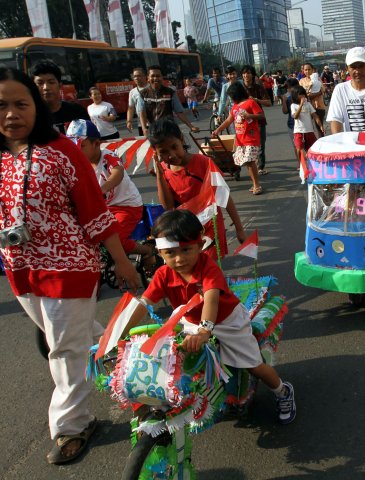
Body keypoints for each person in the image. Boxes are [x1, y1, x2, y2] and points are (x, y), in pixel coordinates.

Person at [0, 67, 140, 465]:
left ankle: (71, 425)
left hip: (70, 268)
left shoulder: (63, 151)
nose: (11, 114)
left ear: (36, 108)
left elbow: (95, 212)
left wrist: (121, 262)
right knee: (77, 338)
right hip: (20, 270)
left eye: (20, 104)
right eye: (1, 105)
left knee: (61, 349)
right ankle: (129, 358)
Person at [126, 209, 296, 424]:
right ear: (160, 253)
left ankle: (282, 391)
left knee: (252, 364)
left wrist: (205, 330)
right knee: (172, 360)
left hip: (226, 321)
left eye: (186, 249)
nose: (179, 259)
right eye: (170, 253)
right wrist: (117, 333)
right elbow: (143, 304)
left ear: (199, 246)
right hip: (191, 321)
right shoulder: (162, 274)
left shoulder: (208, 268)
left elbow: (211, 300)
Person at [65, 119, 157, 271]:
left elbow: (117, 173)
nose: (76, 151)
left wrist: (102, 190)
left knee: (116, 241)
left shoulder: (108, 156)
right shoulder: (78, 163)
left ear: (96, 143)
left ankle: (147, 250)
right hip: (101, 207)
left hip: (126, 206)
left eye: (81, 145)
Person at [149, 117, 246, 259]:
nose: (171, 155)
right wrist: (159, 174)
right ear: (155, 152)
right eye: (163, 152)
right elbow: (168, 206)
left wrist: (239, 228)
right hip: (184, 230)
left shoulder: (204, 163)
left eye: (174, 147)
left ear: (181, 140)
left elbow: (224, 197)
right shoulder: (163, 170)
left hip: (209, 226)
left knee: (208, 267)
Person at [212, 82, 265, 195]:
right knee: (246, 162)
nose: (231, 99)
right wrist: (217, 130)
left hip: (251, 138)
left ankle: (257, 185)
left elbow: (261, 115)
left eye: (232, 96)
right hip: (241, 140)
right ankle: (254, 183)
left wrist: (249, 116)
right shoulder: (235, 107)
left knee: (250, 162)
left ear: (236, 94)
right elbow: (228, 121)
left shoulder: (250, 103)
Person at [30, 60, 89, 134]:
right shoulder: (29, 118)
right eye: (40, 83)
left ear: (60, 85)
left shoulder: (77, 111)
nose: (46, 87)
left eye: (51, 82)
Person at [138, 65, 199, 133]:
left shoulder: (170, 92)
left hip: (169, 129)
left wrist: (191, 126)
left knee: (181, 143)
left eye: (158, 76)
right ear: (148, 78)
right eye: (153, 76)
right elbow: (142, 112)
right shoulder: (142, 94)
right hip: (153, 131)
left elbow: (179, 112)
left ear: (162, 78)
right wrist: (144, 129)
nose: (155, 78)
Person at [239, 65, 271, 175]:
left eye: (248, 73)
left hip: (259, 120)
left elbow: (269, 102)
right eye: (244, 73)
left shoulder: (258, 88)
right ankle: (250, 166)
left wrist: (256, 100)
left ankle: (260, 167)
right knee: (245, 145)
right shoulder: (239, 88)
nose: (246, 75)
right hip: (243, 122)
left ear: (252, 75)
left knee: (260, 144)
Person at [290, 85, 324, 163]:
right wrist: (301, 105)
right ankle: (302, 164)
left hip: (309, 131)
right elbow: (295, 116)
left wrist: (321, 125)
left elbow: (315, 116)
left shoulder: (308, 104)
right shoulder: (293, 105)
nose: (302, 96)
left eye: (303, 94)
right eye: (300, 95)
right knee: (299, 149)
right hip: (299, 131)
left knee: (313, 148)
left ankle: (314, 164)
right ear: (295, 96)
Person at [299, 63, 326, 138]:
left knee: (320, 129)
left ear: (313, 70)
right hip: (306, 108)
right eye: (305, 70)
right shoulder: (301, 81)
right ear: (303, 71)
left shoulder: (318, 79)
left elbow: (323, 91)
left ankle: (321, 146)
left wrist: (310, 95)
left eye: (309, 69)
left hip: (319, 107)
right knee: (307, 129)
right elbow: (301, 95)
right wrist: (317, 93)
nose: (307, 71)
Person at [126, 67, 148, 135]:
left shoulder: (151, 88)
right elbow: (131, 108)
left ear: (145, 76)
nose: (136, 78)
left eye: (139, 76)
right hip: (141, 124)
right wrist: (129, 121)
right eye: (134, 76)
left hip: (154, 122)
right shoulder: (132, 92)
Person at [281, 77, 301, 147]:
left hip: (303, 126)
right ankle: (299, 158)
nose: (288, 89)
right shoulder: (287, 98)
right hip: (292, 125)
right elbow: (285, 111)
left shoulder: (302, 96)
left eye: (289, 87)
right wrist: (284, 100)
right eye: (287, 88)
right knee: (296, 146)